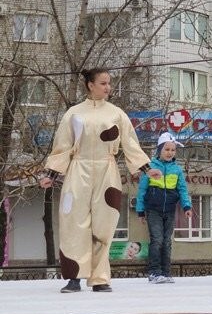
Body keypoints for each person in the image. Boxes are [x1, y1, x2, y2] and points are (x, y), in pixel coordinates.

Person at [39, 68, 161, 294]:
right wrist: (51, 174)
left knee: (104, 224)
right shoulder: (74, 113)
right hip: (79, 169)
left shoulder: (116, 113)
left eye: (109, 83)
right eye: (103, 83)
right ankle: (74, 277)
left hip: (108, 170)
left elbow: (130, 143)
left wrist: (147, 168)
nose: (108, 87)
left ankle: (100, 278)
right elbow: (62, 145)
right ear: (90, 85)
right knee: (74, 222)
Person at [136, 132, 193, 284]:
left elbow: (182, 190)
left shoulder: (177, 170)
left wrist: (186, 206)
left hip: (169, 210)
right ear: (159, 150)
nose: (170, 153)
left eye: (173, 150)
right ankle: (154, 273)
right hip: (153, 210)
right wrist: (140, 211)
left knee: (167, 241)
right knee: (157, 240)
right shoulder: (150, 168)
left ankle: (166, 273)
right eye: (167, 149)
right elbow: (141, 190)